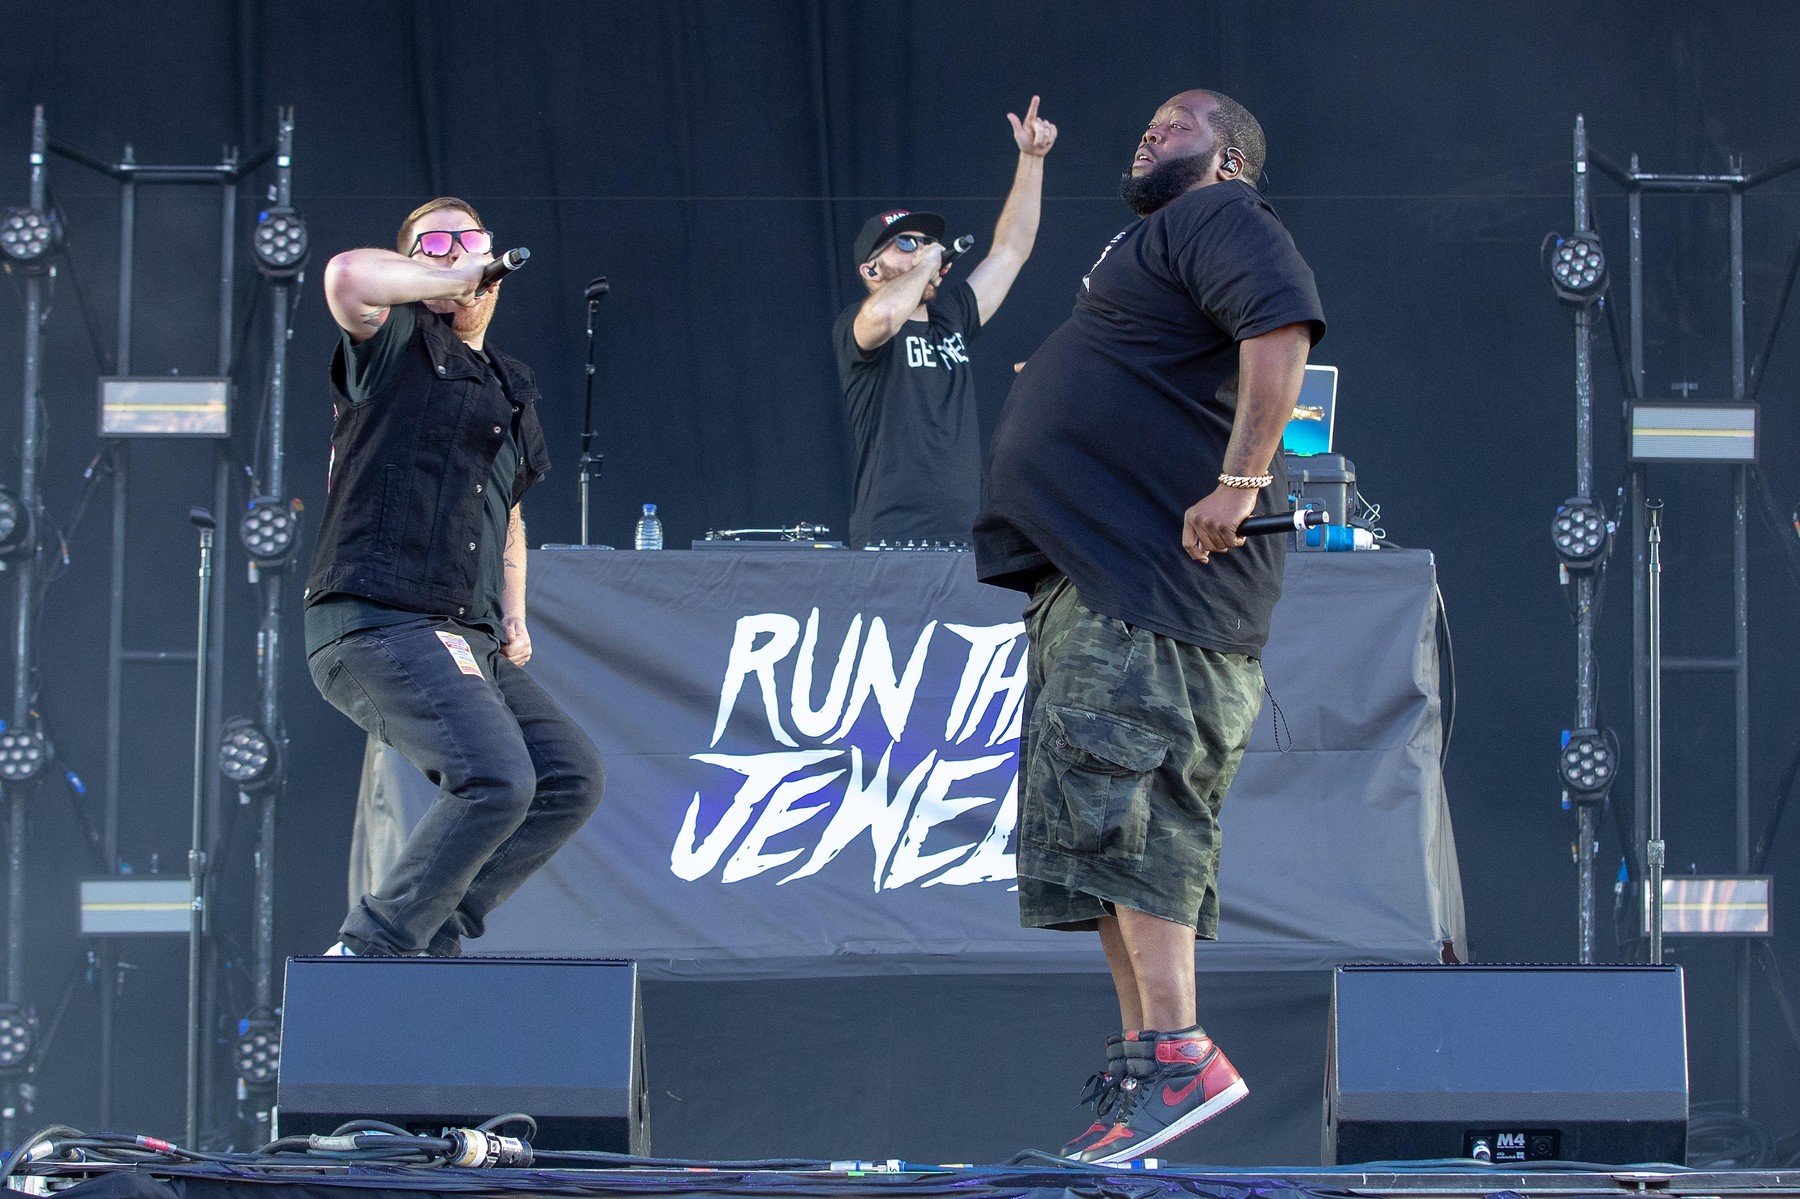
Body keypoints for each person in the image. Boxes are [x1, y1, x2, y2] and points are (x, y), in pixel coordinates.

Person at [973, 90, 1325, 1163]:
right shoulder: (1148, 248)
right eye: (1148, 122)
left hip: (1156, 595)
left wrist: (1241, 478)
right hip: (1098, 584)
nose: (1150, 129)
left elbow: (1280, 326)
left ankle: (1180, 1052)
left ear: (1230, 157)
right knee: (1092, 848)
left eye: (1179, 122)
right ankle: (1146, 1066)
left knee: (1137, 815)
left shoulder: (1221, 216)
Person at [302, 197, 605, 957]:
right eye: (432, 246)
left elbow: (510, 513)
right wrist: (442, 273)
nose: (457, 253)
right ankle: (372, 945)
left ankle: (432, 925)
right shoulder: (394, 340)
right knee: (497, 778)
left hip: (464, 631)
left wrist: (515, 612)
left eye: (471, 243)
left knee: (567, 777)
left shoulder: (510, 383)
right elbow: (346, 277)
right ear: (410, 265)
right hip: (379, 618)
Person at [833, 96, 1057, 549]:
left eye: (928, 241)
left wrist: (1031, 160)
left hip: (963, 536)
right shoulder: (858, 324)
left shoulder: (950, 316)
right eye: (905, 243)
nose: (923, 248)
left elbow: (1010, 251)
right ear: (871, 270)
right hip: (890, 538)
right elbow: (887, 315)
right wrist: (927, 260)